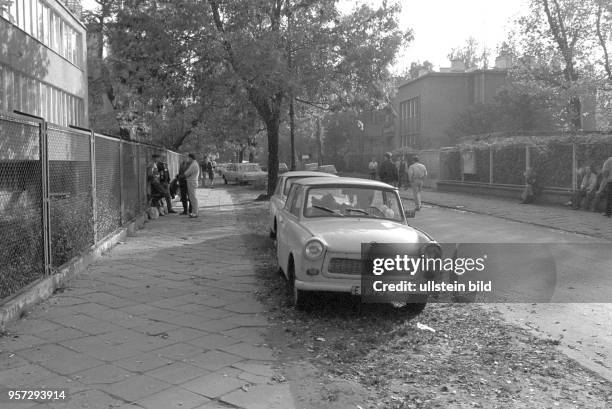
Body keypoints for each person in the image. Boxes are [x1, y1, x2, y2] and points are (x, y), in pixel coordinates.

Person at [184, 153, 200, 218]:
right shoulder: (194, 164)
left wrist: (185, 173)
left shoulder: (193, 165)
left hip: (191, 182)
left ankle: (195, 212)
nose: (188, 159)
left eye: (188, 158)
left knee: (193, 198)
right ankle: (194, 212)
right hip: (192, 181)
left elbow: (186, 173)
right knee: (192, 198)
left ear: (191, 158)